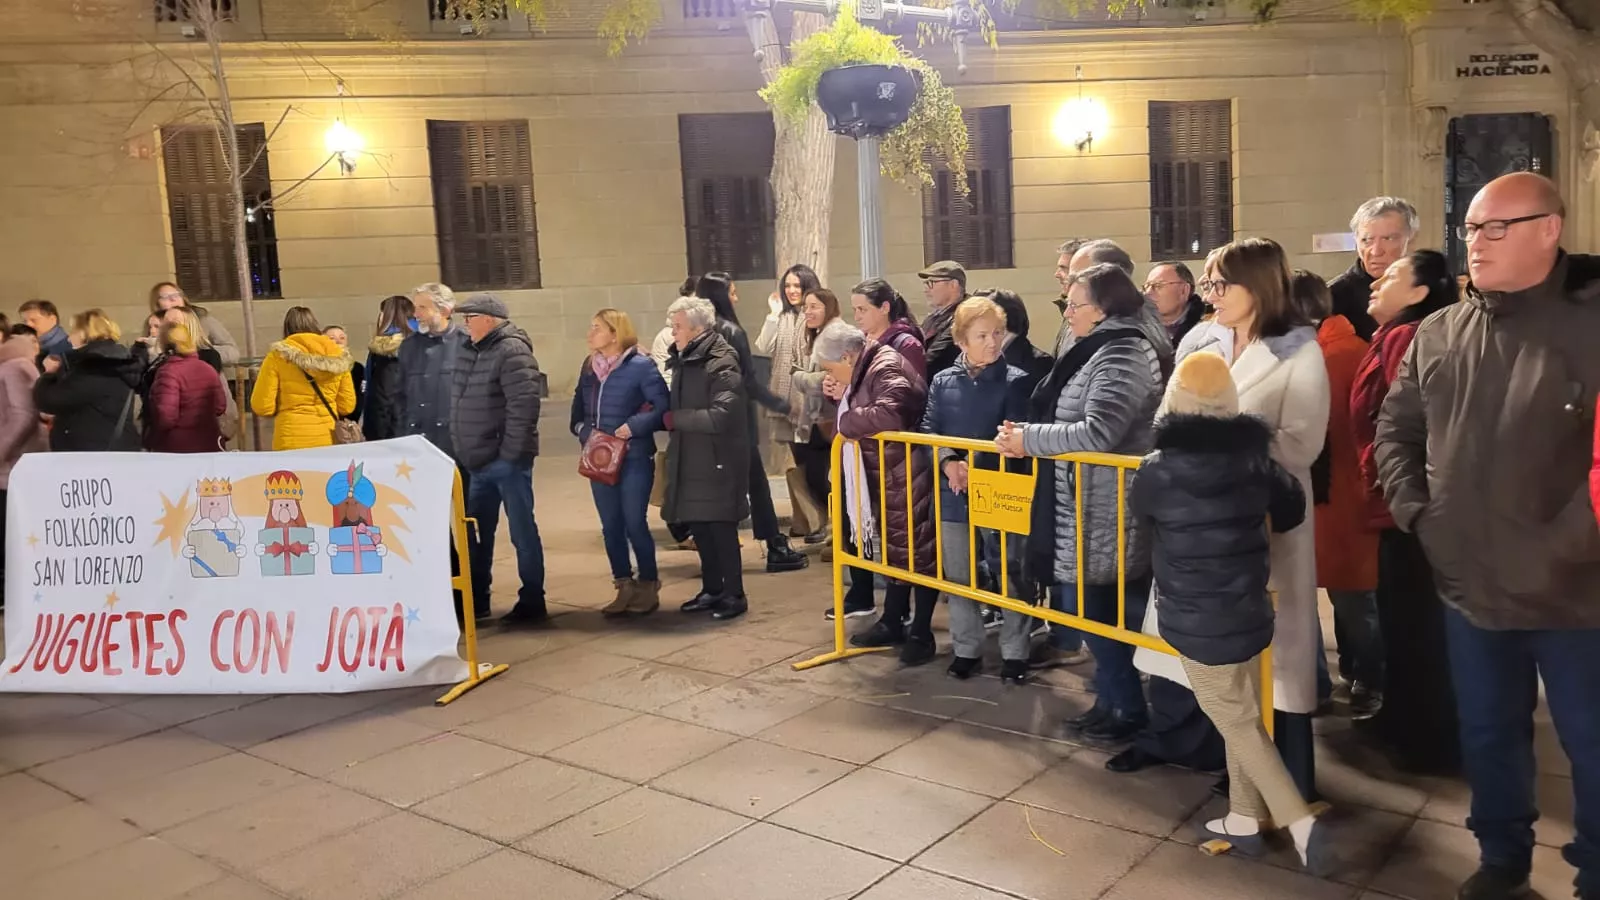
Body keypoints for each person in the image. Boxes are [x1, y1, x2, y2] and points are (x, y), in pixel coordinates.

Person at [1375, 172, 1600, 900]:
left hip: (1577, 594)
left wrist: (1566, 544)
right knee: (1489, 735)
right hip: (1470, 585)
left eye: (1496, 227)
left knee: (1591, 746)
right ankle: (1501, 857)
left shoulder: (1589, 325)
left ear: (1549, 229)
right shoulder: (1442, 332)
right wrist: (1418, 514)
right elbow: (1396, 429)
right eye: (1470, 228)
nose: (1477, 242)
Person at [1131, 351, 1332, 873]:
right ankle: (1244, 817)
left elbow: (1143, 519)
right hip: (1248, 607)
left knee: (1238, 722)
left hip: (1195, 618)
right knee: (1242, 714)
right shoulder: (1255, 462)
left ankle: (1297, 819)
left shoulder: (1156, 470)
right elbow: (1290, 510)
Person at [1169, 237, 1330, 801]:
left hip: (1268, 520)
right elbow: (1169, 417)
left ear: (1256, 285)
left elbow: (1301, 444)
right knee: (1215, 653)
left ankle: (1283, 784)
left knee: (1275, 659)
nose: (1210, 295)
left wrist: (1218, 446)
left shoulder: (1298, 350)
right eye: (1208, 284)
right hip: (1204, 523)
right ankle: (1234, 771)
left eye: (1219, 284)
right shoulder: (1203, 340)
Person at [998, 263, 1166, 743]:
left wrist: (1030, 439)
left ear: (1105, 307)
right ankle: (1112, 701)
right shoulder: (1095, 346)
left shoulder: (1123, 352)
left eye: (1075, 304)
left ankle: (1128, 709)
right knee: (1093, 612)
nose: (1066, 312)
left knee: (1104, 611)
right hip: (1086, 500)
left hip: (1108, 504)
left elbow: (1100, 430)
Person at [1353, 249, 1460, 775]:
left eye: (1393, 275)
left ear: (1420, 292)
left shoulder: (1408, 337)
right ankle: (1403, 718)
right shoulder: (1393, 334)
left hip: (1407, 502)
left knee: (1416, 619)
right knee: (1403, 617)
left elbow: (1403, 425)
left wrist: (1405, 495)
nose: (1377, 280)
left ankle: (1424, 735)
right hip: (1400, 498)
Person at [921, 297, 1034, 681]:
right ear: (961, 341)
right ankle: (966, 648)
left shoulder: (1016, 380)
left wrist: (977, 466)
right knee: (959, 574)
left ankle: (1016, 652)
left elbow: (1015, 431)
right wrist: (949, 461)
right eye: (981, 335)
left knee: (1009, 571)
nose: (991, 342)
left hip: (1000, 489)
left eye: (997, 334)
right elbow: (929, 429)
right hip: (954, 490)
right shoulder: (942, 380)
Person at [821, 305, 939, 666]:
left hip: (906, 471)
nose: (831, 375)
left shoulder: (884, 363)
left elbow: (891, 413)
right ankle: (894, 619)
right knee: (897, 552)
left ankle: (921, 630)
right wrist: (839, 395)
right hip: (888, 471)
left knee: (919, 552)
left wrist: (847, 421)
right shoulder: (868, 364)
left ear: (846, 355)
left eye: (830, 368)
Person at [1292, 269, 1381, 719]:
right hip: (1333, 496)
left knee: (1353, 598)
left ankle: (1370, 678)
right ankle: (1358, 677)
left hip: (1338, 495)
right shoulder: (1338, 348)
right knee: (1347, 595)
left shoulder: (1335, 354)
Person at [697, 272, 808, 573]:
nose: (736, 297)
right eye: (732, 292)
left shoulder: (698, 331)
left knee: (732, 486)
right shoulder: (730, 331)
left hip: (707, 420)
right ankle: (772, 545)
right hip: (735, 420)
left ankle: (756, 545)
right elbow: (748, 380)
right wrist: (781, 405)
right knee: (754, 484)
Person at [452, 293, 548, 626]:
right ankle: (478, 600)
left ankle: (533, 600)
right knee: (478, 534)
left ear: (489, 319)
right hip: (477, 461)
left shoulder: (512, 351)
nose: (464, 324)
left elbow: (524, 409)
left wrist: (508, 456)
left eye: (469, 317)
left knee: (522, 532)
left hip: (507, 463)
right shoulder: (469, 350)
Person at [572, 308, 669, 618]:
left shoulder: (641, 366)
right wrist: (586, 433)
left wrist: (633, 427)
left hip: (634, 456)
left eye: (597, 327)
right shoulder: (589, 368)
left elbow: (662, 407)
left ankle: (648, 583)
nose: (590, 333)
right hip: (599, 458)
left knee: (634, 522)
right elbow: (577, 413)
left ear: (615, 333)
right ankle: (623, 583)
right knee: (611, 525)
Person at [663, 295, 751, 622]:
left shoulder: (721, 360)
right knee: (700, 526)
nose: (673, 333)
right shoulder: (687, 358)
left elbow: (721, 415)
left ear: (698, 329)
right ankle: (712, 589)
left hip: (718, 459)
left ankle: (734, 594)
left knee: (720, 529)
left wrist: (675, 419)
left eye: (678, 326)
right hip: (692, 457)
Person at [398, 282, 480, 623]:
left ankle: (477, 593)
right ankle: (446, 594)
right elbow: (400, 397)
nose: (415, 314)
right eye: (415, 308)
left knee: (468, 523)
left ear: (445, 310)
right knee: (428, 527)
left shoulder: (465, 345)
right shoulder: (409, 348)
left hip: (458, 447)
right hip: (419, 450)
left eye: (422, 308)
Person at [249, 307, 356, 451]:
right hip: (328, 437)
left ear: (287, 328)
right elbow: (347, 406)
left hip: (290, 437)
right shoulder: (337, 356)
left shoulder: (276, 357)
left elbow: (262, 406)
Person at [33, 309, 141, 451]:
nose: (69, 338)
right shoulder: (115, 359)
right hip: (106, 445)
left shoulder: (94, 365)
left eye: (73, 331)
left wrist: (48, 374)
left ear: (83, 333)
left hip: (91, 451)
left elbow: (52, 400)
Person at [786, 287, 845, 544]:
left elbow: (835, 374)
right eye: (806, 307)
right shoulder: (820, 334)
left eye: (814, 307)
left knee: (831, 479)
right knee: (815, 475)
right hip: (818, 418)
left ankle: (838, 532)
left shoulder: (836, 333)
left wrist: (799, 377)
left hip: (833, 418)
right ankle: (831, 529)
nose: (808, 312)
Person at [755, 264, 821, 478]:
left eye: (797, 286)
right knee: (800, 460)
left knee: (815, 462)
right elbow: (763, 346)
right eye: (788, 285)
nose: (791, 290)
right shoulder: (782, 317)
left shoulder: (816, 314)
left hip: (813, 403)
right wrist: (773, 315)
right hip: (788, 400)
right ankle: (809, 510)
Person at [0, 324, 48, 606]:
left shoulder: (14, 366)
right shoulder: (12, 364)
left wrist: (1, 451)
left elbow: (23, 415)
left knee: (11, 532)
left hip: (13, 464)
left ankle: (13, 593)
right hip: (11, 461)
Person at [1328, 197, 1419, 342]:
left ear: (1412, 239)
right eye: (1367, 240)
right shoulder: (1333, 298)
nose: (1376, 251)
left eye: (1388, 238)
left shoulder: (1430, 291)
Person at [144, 322, 227, 454]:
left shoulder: (168, 372)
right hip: (209, 442)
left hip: (177, 447)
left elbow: (166, 417)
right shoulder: (207, 368)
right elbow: (220, 406)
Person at [361, 295, 413, 442]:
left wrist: (377, 434)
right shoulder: (419, 341)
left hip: (392, 430)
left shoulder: (388, 349)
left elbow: (385, 395)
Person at [148, 281, 240, 365]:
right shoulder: (154, 324)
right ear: (157, 303)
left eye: (176, 295)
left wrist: (198, 353)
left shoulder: (203, 319)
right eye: (166, 297)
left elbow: (233, 352)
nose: (173, 299)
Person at [917, 260, 968, 376]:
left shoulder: (964, 317)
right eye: (925, 283)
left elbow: (933, 358)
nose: (926, 289)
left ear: (953, 285)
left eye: (931, 283)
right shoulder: (932, 318)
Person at [1145, 261, 1208, 347]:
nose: (1148, 293)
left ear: (1184, 290)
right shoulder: (1137, 329)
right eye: (1146, 286)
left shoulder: (1208, 329)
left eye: (1158, 285)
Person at [322, 325, 364, 423]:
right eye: (332, 338)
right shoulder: (319, 370)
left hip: (349, 424)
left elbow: (360, 399)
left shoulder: (357, 368)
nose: (338, 341)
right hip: (326, 421)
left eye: (342, 338)